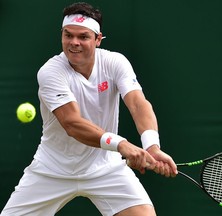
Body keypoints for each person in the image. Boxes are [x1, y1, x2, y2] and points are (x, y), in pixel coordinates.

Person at [1, 2, 178, 216]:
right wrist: (121, 144)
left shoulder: (115, 62)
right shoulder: (50, 72)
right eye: (68, 35)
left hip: (105, 167)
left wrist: (152, 146)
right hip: (53, 168)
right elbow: (72, 124)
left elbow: (138, 103)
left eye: (83, 37)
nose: (74, 43)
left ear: (98, 39)